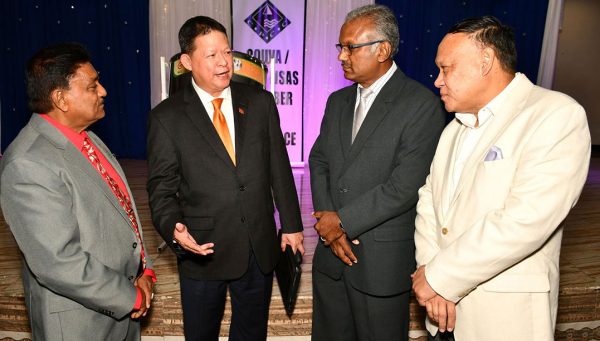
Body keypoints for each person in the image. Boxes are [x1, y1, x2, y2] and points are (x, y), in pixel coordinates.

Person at [412, 16, 591, 341]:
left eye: (446, 68)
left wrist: (440, 276)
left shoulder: (555, 115)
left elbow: (525, 220)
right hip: (442, 312)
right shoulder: (454, 129)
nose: (437, 80)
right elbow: (428, 202)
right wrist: (431, 276)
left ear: (485, 62)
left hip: (504, 318)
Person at [146, 16, 304, 341]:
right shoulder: (167, 118)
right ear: (187, 61)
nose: (223, 62)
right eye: (211, 55)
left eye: (227, 52)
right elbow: (161, 189)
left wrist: (291, 225)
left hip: (256, 247)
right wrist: (173, 227)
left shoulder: (260, 103)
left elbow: (279, 166)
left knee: (251, 333)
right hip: (203, 250)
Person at [0, 43, 155, 341]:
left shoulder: (88, 140)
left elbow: (125, 213)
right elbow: (58, 262)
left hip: (122, 312)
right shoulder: (28, 162)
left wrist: (145, 270)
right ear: (61, 99)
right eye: (93, 86)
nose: (104, 91)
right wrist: (130, 296)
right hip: (80, 324)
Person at [309, 4, 445, 340]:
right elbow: (319, 161)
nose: (342, 56)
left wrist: (341, 222)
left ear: (382, 49)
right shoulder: (337, 101)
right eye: (340, 47)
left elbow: (405, 186)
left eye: (350, 47)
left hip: (380, 264)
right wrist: (331, 226)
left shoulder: (420, 104)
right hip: (331, 258)